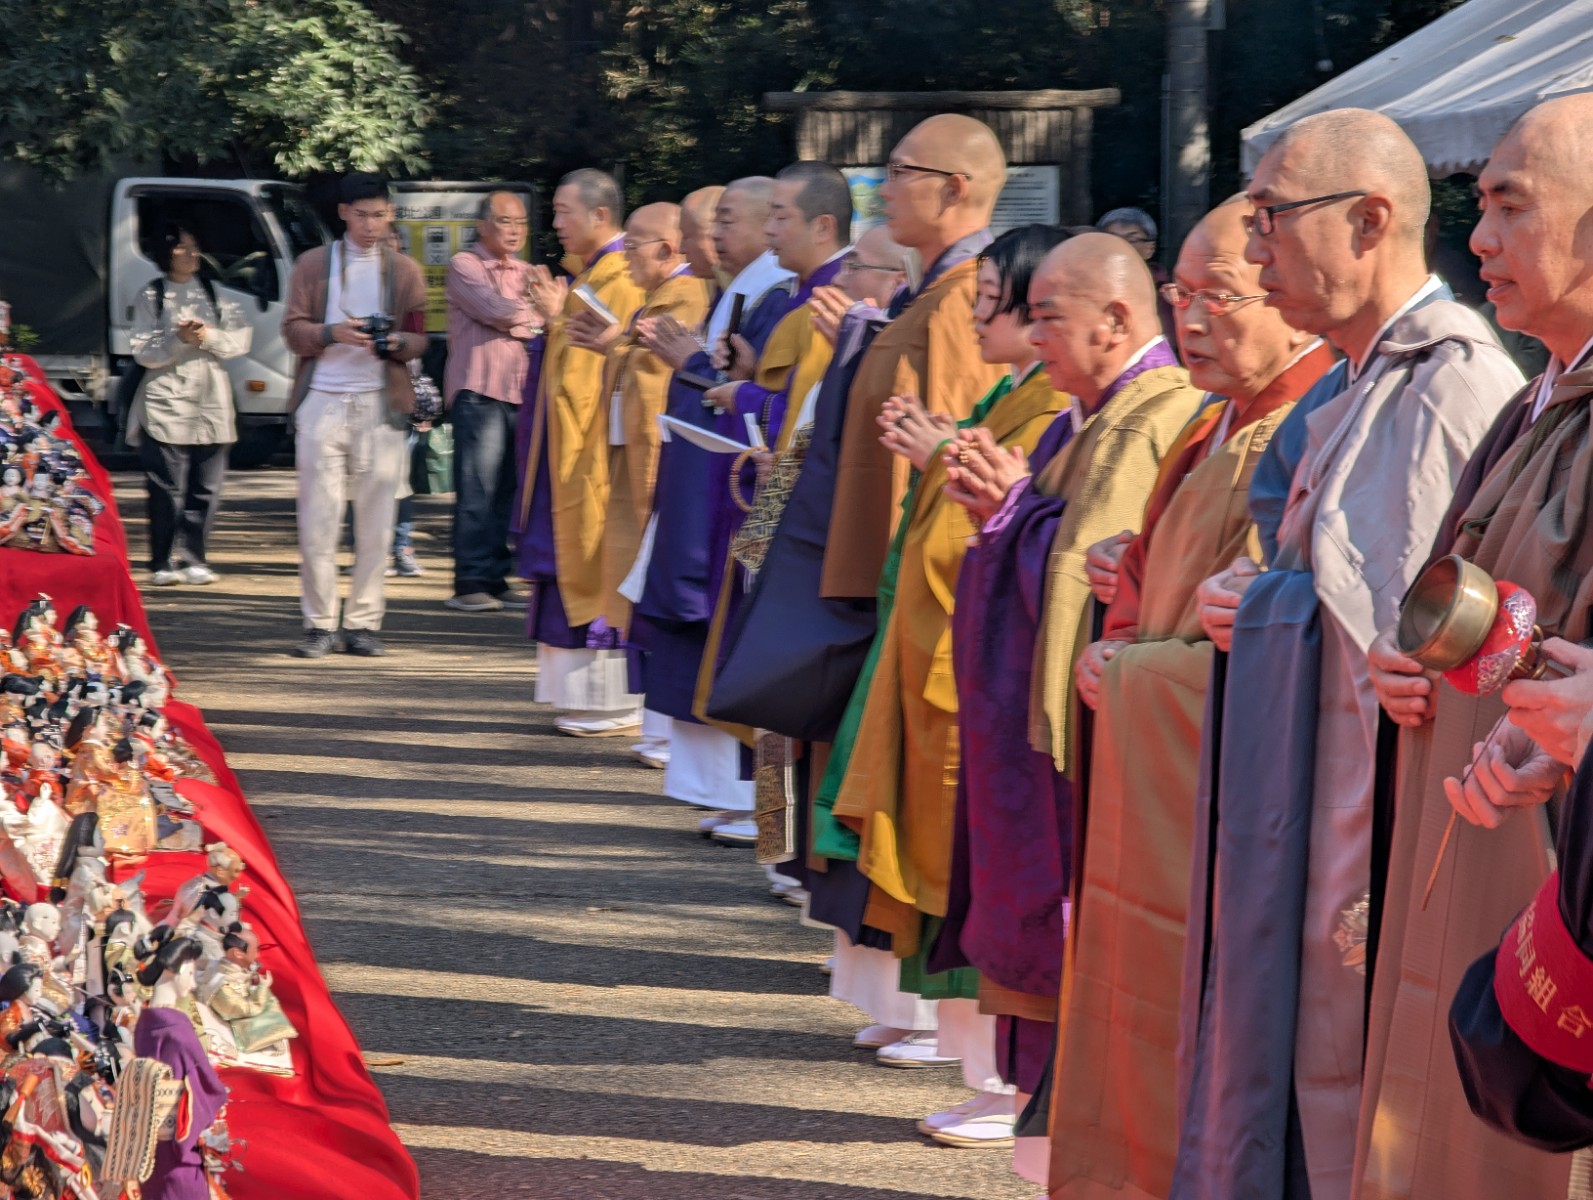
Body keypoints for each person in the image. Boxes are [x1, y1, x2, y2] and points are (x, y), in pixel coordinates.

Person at [1174, 110, 1522, 1200]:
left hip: (1383, 828)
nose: (1257, 243)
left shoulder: (1455, 381)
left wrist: (1280, 604)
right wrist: (1254, 595)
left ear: (1370, 221)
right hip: (1313, 801)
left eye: (1274, 216)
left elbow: (1445, 645)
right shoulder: (1353, 382)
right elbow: (1324, 587)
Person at [1041, 200, 1332, 1199]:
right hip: (1150, 789)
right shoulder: (1217, 420)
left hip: (1216, 809)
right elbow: (1193, 600)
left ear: (1292, 301)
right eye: (1184, 295)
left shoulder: (1303, 429)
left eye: (1223, 297)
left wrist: (1126, 672)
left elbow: (1274, 646)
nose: (1195, 320)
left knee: (1190, 1026)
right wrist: (1138, 578)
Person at [1364, 92, 1593, 1196]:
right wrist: (1402, 661)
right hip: (1465, 802)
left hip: (1551, 841)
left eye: (1511, 208)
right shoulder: (1535, 398)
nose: (1480, 241)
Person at [812, 224, 1073, 1157]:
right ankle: (974, 1065)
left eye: (995, 298)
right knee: (938, 868)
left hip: (987, 681)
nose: (978, 312)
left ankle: (1000, 1077)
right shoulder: (1013, 393)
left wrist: (946, 458)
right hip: (937, 652)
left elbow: (1045, 534)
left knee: (983, 878)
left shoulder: (1056, 406)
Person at [798, 112, 1008, 1079]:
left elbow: (953, 454)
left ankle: (937, 1018)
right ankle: (901, 1001)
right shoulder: (930, 295)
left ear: (955, 189)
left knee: (918, 806)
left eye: (899, 171)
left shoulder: (965, 301)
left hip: (920, 593)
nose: (880, 189)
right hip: (885, 583)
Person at [691, 160, 854, 845]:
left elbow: (812, 414)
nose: (771, 231)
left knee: (780, 668)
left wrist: (748, 396)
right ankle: (771, 835)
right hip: (777, 487)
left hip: (796, 502)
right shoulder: (800, 293)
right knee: (761, 660)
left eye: (781, 218)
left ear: (823, 225)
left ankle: (780, 836)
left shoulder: (835, 297)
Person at [627, 178, 792, 809]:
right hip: (702, 493)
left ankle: (761, 813)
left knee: (747, 642)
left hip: (749, 500)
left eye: (730, 221)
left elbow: (779, 405)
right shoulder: (743, 294)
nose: (716, 234)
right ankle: (724, 797)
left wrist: (699, 365)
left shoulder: (790, 301)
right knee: (698, 631)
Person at [517, 169, 648, 735]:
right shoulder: (593, 275)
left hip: (594, 456)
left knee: (593, 556)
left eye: (565, 211)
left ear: (601, 215)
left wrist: (554, 319)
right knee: (567, 553)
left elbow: (593, 372)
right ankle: (583, 695)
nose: (555, 223)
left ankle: (607, 698)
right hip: (568, 450)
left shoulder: (620, 278)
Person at [282, 173, 426, 659]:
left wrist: (394, 344)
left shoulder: (404, 270)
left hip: (380, 404)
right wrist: (331, 333)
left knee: (377, 522)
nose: (372, 225)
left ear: (390, 214)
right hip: (322, 398)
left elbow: (421, 337)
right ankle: (319, 623)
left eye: (380, 214)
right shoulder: (313, 265)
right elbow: (292, 331)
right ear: (343, 213)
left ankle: (364, 622)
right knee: (318, 521)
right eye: (362, 215)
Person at [128, 224, 251, 587]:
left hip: (211, 398)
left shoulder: (215, 294)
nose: (191, 254)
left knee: (207, 487)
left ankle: (195, 557)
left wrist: (207, 336)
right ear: (166, 253)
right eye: (183, 248)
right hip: (165, 396)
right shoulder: (152, 294)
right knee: (167, 486)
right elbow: (143, 352)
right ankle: (162, 560)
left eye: (195, 247)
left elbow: (239, 341)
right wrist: (178, 339)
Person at [444, 190, 536, 612]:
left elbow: (551, 319)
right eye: (505, 221)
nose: (515, 230)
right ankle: (470, 582)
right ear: (482, 225)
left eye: (520, 222)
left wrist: (521, 319)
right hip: (479, 391)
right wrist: (527, 320)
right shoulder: (465, 265)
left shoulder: (531, 271)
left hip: (520, 391)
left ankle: (497, 579)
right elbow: (494, 308)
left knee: (508, 491)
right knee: (477, 489)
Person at [1098, 205, 1177, 349]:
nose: (1120, 245)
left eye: (1131, 240)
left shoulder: (1167, 293)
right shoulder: (1091, 287)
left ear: (1150, 248)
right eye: (1112, 239)